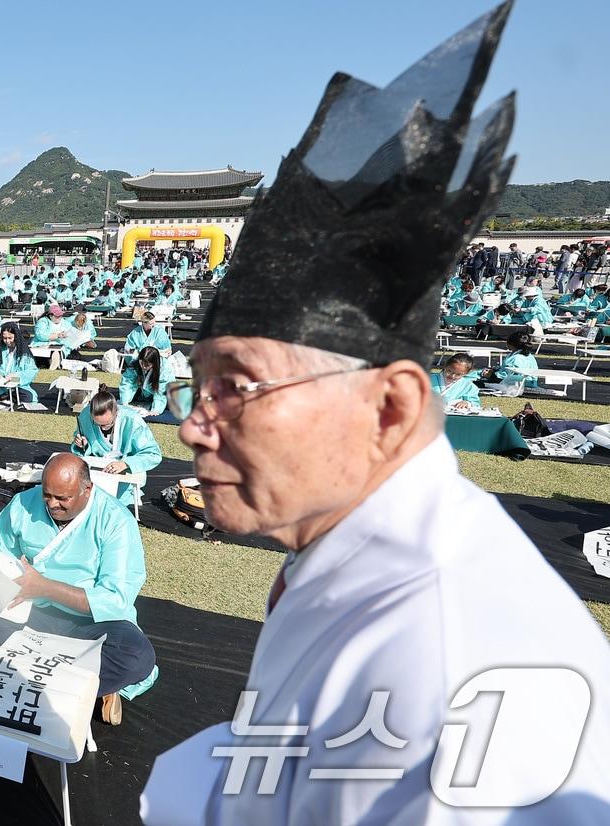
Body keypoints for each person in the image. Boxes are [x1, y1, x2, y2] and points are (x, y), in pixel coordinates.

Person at [140, 10, 610, 821]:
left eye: (237, 385)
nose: (191, 424)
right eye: (197, 383)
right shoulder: (336, 560)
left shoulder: (453, 656)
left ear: (389, 407)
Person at [0, 453, 155, 725]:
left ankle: (30, 679)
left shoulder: (116, 521)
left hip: (90, 622)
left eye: (63, 499)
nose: (52, 504)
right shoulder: (23, 504)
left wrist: (45, 588)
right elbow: (0, 546)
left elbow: (115, 599)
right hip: (33, 610)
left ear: (87, 490)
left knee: (136, 656)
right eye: (47, 495)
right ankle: (77, 684)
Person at [69, 390, 161, 506]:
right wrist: (84, 445)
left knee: (113, 502)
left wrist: (125, 463)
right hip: (97, 469)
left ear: (116, 412)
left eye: (107, 424)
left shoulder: (133, 421)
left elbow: (153, 454)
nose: (103, 428)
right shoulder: (85, 416)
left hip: (125, 471)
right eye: (97, 424)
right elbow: (81, 449)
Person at [119, 346, 176, 418]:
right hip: (144, 393)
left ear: (154, 363)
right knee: (124, 397)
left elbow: (161, 391)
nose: (143, 367)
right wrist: (124, 402)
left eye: (147, 365)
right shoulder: (134, 364)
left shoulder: (164, 369)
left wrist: (156, 409)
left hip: (166, 393)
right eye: (141, 363)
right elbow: (127, 383)